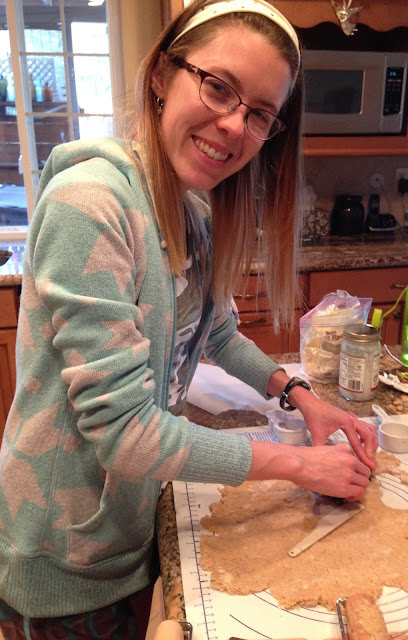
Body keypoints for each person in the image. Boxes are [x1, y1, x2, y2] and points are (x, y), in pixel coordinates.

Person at [0, 0, 377, 636]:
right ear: (161, 75)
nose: (234, 126)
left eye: (260, 114)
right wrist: (299, 465)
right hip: (65, 556)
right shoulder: (89, 204)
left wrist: (299, 393)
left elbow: (216, 332)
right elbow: (124, 433)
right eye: (218, 86)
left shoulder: (190, 209)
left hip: (131, 521)